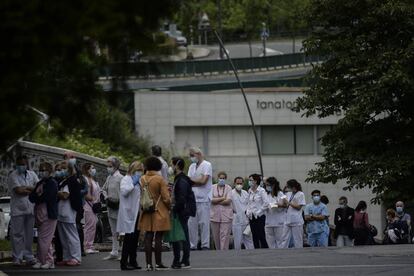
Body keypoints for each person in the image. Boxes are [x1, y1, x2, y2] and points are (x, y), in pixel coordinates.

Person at [139, 157, 171, 271]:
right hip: (159, 210)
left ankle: (148, 264)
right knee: (158, 237)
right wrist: (169, 207)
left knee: (148, 236)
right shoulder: (160, 179)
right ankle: (158, 263)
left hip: (147, 210)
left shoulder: (142, 178)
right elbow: (166, 198)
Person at [7, 155, 38, 266]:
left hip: (30, 209)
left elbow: (39, 188)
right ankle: (17, 257)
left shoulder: (32, 174)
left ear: (27, 164)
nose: (21, 166)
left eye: (23, 164)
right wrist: (31, 189)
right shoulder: (13, 175)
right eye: (19, 164)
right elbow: (18, 190)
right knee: (17, 234)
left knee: (29, 235)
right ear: (16, 165)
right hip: (18, 209)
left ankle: (29, 256)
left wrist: (27, 188)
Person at [29, 162, 58, 269]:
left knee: (45, 239)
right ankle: (41, 260)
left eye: (44, 169)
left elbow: (46, 197)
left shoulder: (52, 183)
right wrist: (38, 195)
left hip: (49, 215)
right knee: (41, 238)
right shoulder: (40, 182)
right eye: (40, 169)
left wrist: (38, 196)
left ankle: (49, 260)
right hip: (39, 214)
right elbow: (32, 197)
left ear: (50, 171)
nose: (41, 172)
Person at [116, 161, 143, 270]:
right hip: (128, 213)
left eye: (141, 170)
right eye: (139, 170)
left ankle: (133, 261)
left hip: (135, 212)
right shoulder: (125, 179)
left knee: (135, 238)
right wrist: (133, 183)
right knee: (128, 238)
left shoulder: (138, 180)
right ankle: (124, 262)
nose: (140, 172)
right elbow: (124, 192)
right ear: (133, 169)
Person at [57, 161, 82, 266]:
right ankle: (67, 257)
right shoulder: (65, 180)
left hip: (68, 211)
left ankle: (76, 257)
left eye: (63, 169)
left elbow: (65, 195)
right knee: (63, 237)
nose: (61, 171)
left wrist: (54, 191)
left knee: (71, 235)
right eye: (60, 169)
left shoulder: (71, 181)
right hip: (61, 211)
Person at [187, 147, 212, 250]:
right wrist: (197, 180)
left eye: (192, 155)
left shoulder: (207, 165)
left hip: (204, 198)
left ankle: (205, 245)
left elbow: (204, 181)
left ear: (198, 154)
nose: (191, 157)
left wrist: (195, 181)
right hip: (192, 198)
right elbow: (188, 181)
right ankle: (192, 245)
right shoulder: (192, 166)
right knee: (191, 223)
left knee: (204, 223)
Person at [63, 152, 88, 257]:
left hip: (77, 203)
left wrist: (77, 193)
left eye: (74, 157)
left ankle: (80, 250)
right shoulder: (63, 170)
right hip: (65, 203)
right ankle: (68, 251)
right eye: (71, 157)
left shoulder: (78, 172)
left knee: (77, 226)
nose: (73, 159)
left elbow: (85, 188)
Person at [170, 157, 192, 269]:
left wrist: (175, 209)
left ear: (177, 165)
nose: (171, 167)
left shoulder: (181, 180)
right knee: (182, 235)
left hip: (181, 211)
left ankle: (181, 260)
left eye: (172, 165)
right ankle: (183, 260)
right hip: (183, 210)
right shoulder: (180, 178)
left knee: (179, 236)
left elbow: (182, 197)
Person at [102, 156, 123, 260]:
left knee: (121, 231)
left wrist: (117, 200)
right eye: (107, 166)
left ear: (115, 166)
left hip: (119, 207)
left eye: (110, 166)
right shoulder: (109, 177)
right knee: (113, 230)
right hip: (110, 206)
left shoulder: (120, 178)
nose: (108, 168)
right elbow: (104, 189)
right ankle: (114, 251)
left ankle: (123, 252)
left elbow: (123, 193)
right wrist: (107, 197)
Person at [210, 172, 233, 250]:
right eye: (220, 178)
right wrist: (223, 198)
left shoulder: (228, 188)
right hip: (214, 216)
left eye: (223, 178)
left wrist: (217, 200)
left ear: (225, 179)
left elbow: (228, 201)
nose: (222, 179)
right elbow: (211, 200)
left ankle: (224, 252)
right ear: (218, 178)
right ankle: (218, 252)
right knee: (216, 236)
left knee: (224, 236)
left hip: (226, 216)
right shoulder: (212, 187)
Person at [281, 179, 306, 248]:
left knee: (297, 239)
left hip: (296, 220)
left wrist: (289, 203)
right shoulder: (289, 193)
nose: (288, 188)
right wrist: (284, 190)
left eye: (289, 186)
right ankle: (282, 252)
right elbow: (283, 197)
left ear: (293, 187)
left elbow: (299, 207)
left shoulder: (300, 194)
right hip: (287, 219)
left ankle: (299, 254)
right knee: (284, 238)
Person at [246, 174, 268, 249]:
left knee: (261, 235)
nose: (249, 182)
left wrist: (259, 212)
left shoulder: (261, 190)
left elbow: (266, 203)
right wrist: (248, 211)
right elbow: (249, 203)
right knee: (254, 235)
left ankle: (265, 250)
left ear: (255, 181)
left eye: (250, 180)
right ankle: (256, 251)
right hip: (252, 216)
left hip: (260, 216)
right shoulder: (249, 190)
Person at [231, 177, 254, 250]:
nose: (239, 185)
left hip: (246, 220)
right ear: (234, 184)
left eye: (240, 183)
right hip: (236, 221)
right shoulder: (231, 193)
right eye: (237, 183)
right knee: (237, 242)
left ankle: (252, 255)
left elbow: (249, 205)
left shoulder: (245, 193)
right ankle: (237, 258)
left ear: (243, 184)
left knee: (249, 240)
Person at [82, 163, 100, 254]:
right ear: (87, 169)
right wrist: (92, 199)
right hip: (88, 205)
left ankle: (90, 245)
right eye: (92, 168)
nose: (93, 170)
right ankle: (87, 245)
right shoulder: (85, 179)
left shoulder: (92, 179)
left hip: (93, 205)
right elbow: (86, 193)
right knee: (89, 226)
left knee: (92, 226)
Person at [264, 177, 287, 249]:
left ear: (273, 185)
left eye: (268, 185)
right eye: (266, 185)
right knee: (270, 242)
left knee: (280, 241)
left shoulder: (281, 194)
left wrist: (275, 204)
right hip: (268, 221)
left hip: (279, 222)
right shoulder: (265, 194)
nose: (267, 187)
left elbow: (286, 204)